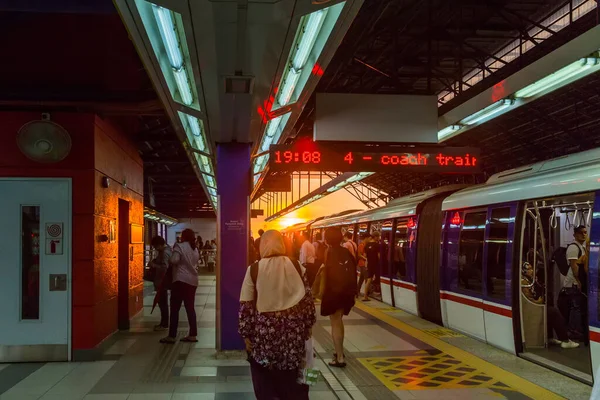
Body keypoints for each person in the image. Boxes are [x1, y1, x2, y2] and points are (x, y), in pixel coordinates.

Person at [239, 230, 316, 399]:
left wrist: (246, 335)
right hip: (293, 340)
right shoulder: (296, 266)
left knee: (265, 386)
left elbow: (246, 307)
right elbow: (308, 302)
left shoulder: (253, 269)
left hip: (264, 341)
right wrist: (308, 325)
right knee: (292, 385)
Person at [321, 227, 357, 368]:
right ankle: (339, 351)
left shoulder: (328, 252)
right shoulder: (346, 251)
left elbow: (327, 273)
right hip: (346, 292)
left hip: (333, 292)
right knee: (339, 320)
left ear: (327, 239)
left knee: (335, 322)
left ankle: (340, 356)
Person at [521, 263, 578, 349]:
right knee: (553, 312)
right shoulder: (524, 282)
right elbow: (529, 299)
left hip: (536, 306)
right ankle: (565, 339)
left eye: (531, 268)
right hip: (532, 308)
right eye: (529, 269)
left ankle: (549, 337)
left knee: (549, 310)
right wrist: (539, 301)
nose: (532, 271)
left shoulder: (532, 279)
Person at [160, 229, 200, 344]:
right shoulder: (195, 248)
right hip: (193, 281)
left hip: (180, 281)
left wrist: (171, 260)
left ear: (183, 236)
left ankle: (172, 336)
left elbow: (174, 259)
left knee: (175, 309)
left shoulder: (179, 246)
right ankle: (193, 334)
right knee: (190, 308)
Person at [558, 225, 588, 341]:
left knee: (578, 307)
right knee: (576, 308)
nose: (584, 235)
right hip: (573, 283)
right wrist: (579, 282)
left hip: (576, 282)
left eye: (585, 232)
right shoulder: (574, 248)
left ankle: (577, 329)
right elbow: (574, 267)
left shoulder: (583, 247)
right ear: (575, 234)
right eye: (581, 233)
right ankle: (573, 331)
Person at [150, 236, 172, 331]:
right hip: (162, 281)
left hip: (163, 281)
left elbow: (164, 267)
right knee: (162, 303)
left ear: (159, 245)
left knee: (163, 303)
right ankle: (164, 323)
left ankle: (164, 324)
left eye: (155, 247)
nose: (155, 249)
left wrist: (154, 265)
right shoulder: (167, 251)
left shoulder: (164, 253)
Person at [363, 232, 381, 301]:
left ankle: (365, 296)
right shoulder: (377, 245)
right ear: (375, 237)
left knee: (369, 279)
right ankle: (377, 291)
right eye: (378, 236)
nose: (379, 238)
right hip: (376, 264)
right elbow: (379, 256)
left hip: (369, 264)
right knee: (378, 278)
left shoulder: (367, 245)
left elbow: (365, 256)